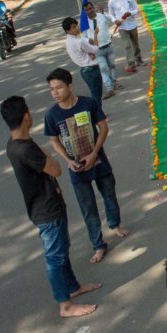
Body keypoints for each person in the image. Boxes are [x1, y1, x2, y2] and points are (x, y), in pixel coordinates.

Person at [0, 96, 99, 318]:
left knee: (62, 251)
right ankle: (65, 305)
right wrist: (49, 156)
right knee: (55, 257)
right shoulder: (26, 149)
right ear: (26, 117)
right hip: (47, 210)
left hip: (47, 204)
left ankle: (73, 287)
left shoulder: (15, 143)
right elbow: (56, 170)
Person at [43, 67, 128, 263]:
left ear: (70, 86)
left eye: (59, 88)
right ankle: (98, 245)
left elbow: (103, 127)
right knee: (88, 207)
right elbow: (54, 140)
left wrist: (95, 152)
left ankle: (115, 225)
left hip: (99, 161)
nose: (55, 92)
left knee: (109, 194)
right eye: (51, 89)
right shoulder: (52, 115)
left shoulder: (87, 104)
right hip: (77, 169)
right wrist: (68, 160)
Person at [62, 17, 103, 107]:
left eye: (77, 25)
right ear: (67, 30)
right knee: (97, 94)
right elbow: (96, 49)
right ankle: (98, 115)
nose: (77, 28)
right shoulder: (78, 41)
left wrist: (89, 52)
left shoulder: (69, 41)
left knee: (94, 92)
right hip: (91, 69)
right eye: (74, 27)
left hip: (84, 69)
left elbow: (84, 49)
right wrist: (96, 35)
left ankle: (97, 113)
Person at [82, 1, 118, 99]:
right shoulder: (85, 23)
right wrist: (88, 41)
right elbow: (84, 37)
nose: (89, 11)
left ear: (93, 8)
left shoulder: (101, 16)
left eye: (90, 8)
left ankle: (114, 83)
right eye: (86, 10)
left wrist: (104, 13)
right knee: (103, 68)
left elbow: (111, 23)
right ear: (84, 12)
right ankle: (109, 88)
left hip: (108, 45)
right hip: (97, 50)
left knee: (112, 66)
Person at [107, 0, 145, 73]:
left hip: (132, 24)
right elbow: (110, 14)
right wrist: (114, 20)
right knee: (127, 46)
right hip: (122, 27)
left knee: (135, 44)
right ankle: (131, 64)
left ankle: (138, 59)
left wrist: (130, 13)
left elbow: (136, 9)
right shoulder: (111, 2)